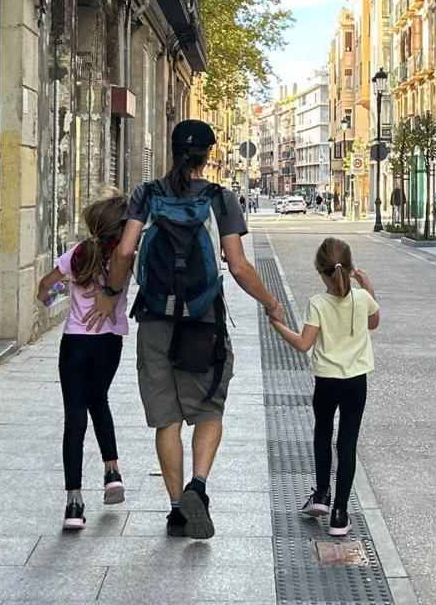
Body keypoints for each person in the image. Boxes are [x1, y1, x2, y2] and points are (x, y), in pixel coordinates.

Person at [88, 120, 286, 540]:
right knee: (209, 410)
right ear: (209, 154)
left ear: (172, 150)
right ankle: (199, 485)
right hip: (204, 320)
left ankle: (178, 510)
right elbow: (237, 265)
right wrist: (271, 303)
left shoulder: (146, 193)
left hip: (156, 318)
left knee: (167, 418)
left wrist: (110, 293)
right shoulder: (221, 198)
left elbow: (125, 250)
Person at [268, 237, 380, 537]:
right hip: (356, 381)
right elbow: (374, 323)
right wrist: (367, 287)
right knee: (347, 443)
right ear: (351, 268)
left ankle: (320, 495)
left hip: (326, 380)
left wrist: (276, 323)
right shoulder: (361, 298)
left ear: (321, 271)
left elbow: (304, 344)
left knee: (322, 433)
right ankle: (340, 515)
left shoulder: (318, 303)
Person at [36, 192, 133, 531]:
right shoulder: (124, 258)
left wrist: (60, 296)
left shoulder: (77, 253)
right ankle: (112, 472)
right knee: (99, 400)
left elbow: (44, 289)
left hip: (75, 342)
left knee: (74, 419)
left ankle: (74, 503)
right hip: (109, 343)